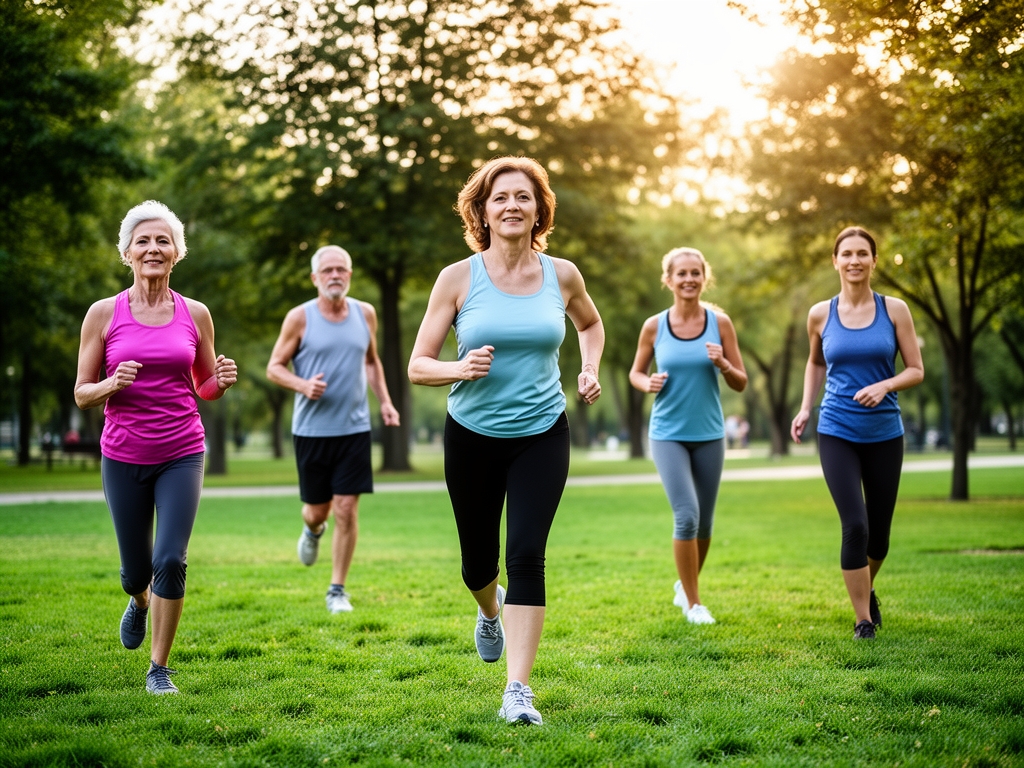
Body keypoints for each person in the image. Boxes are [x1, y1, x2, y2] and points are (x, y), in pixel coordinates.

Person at [408, 156, 604, 725]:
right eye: (500, 198)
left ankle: (517, 691)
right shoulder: (457, 278)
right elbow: (419, 364)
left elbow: (589, 324)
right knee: (477, 561)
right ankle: (488, 611)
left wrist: (588, 367)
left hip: (543, 431)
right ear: (483, 211)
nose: (512, 206)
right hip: (470, 436)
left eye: (524, 197)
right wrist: (459, 367)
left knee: (526, 554)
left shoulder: (562, 275)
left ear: (539, 209)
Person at [74, 200, 237, 695]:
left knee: (171, 559)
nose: (152, 249)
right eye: (142, 241)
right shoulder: (104, 314)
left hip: (182, 451)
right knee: (135, 571)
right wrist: (110, 384)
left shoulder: (196, 314)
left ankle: (159, 668)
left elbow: (203, 385)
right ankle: (139, 600)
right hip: (122, 455)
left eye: (162, 240)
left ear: (176, 252)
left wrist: (220, 383)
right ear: (127, 252)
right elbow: (82, 392)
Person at [791, 226, 924, 640]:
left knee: (879, 536)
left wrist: (885, 385)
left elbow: (916, 370)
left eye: (862, 253)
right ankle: (863, 619)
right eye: (846, 253)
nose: (854, 260)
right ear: (835, 261)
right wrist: (805, 407)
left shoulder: (895, 310)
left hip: (885, 431)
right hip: (836, 429)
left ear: (873, 261)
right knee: (856, 525)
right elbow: (815, 363)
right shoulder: (820, 314)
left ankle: (869, 589)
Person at [266, 245, 400, 614]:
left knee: (346, 509)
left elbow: (372, 362)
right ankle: (311, 530)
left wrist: (385, 402)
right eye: (327, 270)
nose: (335, 275)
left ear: (350, 275)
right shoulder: (300, 318)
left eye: (342, 269)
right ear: (315, 278)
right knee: (318, 511)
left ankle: (337, 589)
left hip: (354, 429)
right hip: (311, 431)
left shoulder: (365, 314)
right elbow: (274, 367)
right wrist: (302, 385)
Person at [629, 247, 747, 625]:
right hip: (668, 433)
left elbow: (741, 382)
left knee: (706, 523)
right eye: (681, 274)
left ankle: (686, 585)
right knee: (687, 515)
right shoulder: (654, 326)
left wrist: (724, 364)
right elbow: (635, 372)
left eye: (695, 273)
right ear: (669, 280)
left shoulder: (720, 323)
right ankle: (694, 603)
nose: (689, 279)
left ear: (704, 277)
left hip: (710, 433)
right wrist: (648, 382)